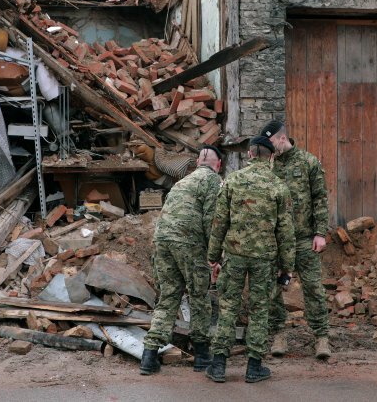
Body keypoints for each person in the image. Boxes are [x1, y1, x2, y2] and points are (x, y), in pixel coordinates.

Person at [204, 136, 295, 384]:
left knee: (228, 308)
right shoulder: (279, 186)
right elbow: (286, 232)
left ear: (250, 154)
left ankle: (218, 365)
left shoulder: (232, 181)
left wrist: (213, 257)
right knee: (259, 310)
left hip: (234, 256)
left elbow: (219, 222)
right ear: (272, 156)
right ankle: (254, 367)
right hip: (264, 259)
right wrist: (287, 267)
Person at [139, 145, 224, 376]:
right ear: (218, 165)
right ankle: (202, 355)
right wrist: (215, 257)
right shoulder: (213, 181)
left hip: (162, 242)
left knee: (168, 297)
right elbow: (211, 221)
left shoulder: (182, 182)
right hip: (189, 243)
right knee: (199, 296)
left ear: (197, 163)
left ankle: (149, 355)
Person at [259, 119, 333, 359]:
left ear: (282, 138)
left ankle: (321, 337)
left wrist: (320, 233)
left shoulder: (308, 162)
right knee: (273, 289)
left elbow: (320, 198)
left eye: (271, 142)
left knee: (313, 287)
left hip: (304, 238)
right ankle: (279, 334)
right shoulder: (268, 165)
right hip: (276, 241)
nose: (269, 148)